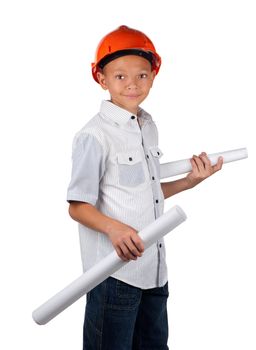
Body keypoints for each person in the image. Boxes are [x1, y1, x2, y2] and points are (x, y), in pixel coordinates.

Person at [66, 25, 223, 350]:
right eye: (120, 76)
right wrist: (114, 228)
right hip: (114, 276)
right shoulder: (93, 136)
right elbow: (77, 205)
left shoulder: (148, 127)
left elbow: (145, 191)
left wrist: (189, 181)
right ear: (101, 79)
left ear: (153, 76)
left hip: (154, 272)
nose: (132, 84)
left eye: (141, 75)